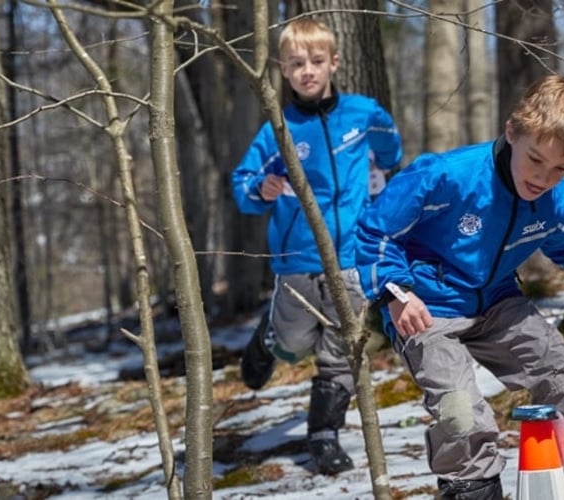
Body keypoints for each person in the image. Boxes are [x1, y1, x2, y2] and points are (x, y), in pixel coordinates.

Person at [355, 75, 564, 500]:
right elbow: (376, 233)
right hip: (426, 307)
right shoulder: (445, 177)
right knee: (460, 412)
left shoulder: (554, 197)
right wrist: (396, 293)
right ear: (511, 132)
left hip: (496, 302)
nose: (544, 177)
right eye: (535, 160)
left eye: (560, 169)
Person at [230, 17, 402, 476]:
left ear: (334, 64)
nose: (308, 70)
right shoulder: (278, 129)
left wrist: (382, 173)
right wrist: (259, 189)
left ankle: (323, 437)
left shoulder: (363, 114)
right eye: (297, 63)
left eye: (317, 61)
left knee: (343, 349)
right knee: (295, 343)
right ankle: (270, 339)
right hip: (298, 259)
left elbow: (390, 151)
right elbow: (242, 182)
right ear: (283, 71)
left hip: (352, 258)